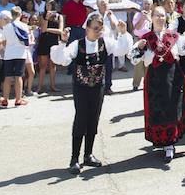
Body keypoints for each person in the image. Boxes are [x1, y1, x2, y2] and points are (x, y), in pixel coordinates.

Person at [51, 14, 132, 174]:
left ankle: (88, 154)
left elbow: (122, 49)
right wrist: (62, 42)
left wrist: (123, 33)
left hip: (98, 87)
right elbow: (62, 59)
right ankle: (74, 158)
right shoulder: (77, 44)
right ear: (87, 28)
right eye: (95, 28)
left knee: (93, 119)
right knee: (81, 118)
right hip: (81, 87)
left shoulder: (106, 43)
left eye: (101, 28)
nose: (98, 31)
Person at [130, 6, 185, 162]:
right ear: (152, 17)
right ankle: (161, 141)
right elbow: (134, 58)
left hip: (173, 78)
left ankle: (170, 144)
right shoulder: (145, 38)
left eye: (162, 15)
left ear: (166, 18)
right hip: (154, 81)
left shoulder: (174, 36)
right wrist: (140, 48)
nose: (160, 18)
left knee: (172, 109)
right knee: (157, 111)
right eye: (157, 15)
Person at [0, 8, 30, 107]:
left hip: (9, 54)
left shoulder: (6, 27)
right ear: (20, 14)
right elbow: (27, 41)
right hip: (20, 54)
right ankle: (18, 100)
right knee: (18, 77)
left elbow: (3, 41)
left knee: (7, 77)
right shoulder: (24, 26)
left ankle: (5, 100)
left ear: (11, 15)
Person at [36, 0, 62, 93]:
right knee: (42, 66)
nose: (48, 7)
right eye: (46, 5)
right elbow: (42, 30)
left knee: (52, 65)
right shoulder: (42, 16)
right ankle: (39, 87)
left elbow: (60, 30)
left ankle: (53, 86)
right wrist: (46, 18)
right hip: (44, 41)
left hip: (54, 42)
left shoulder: (59, 17)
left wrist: (47, 29)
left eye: (49, 5)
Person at [131, 0, 153, 91]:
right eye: (145, 4)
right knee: (138, 63)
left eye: (148, 4)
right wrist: (142, 19)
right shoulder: (137, 15)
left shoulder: (153, 15)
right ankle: (136, 84)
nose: (147, 6)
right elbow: (136, 28)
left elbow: (154, 27)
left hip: (150, 40)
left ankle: (148, 83)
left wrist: (149, 19)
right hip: (139, 40)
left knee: (148, 63)